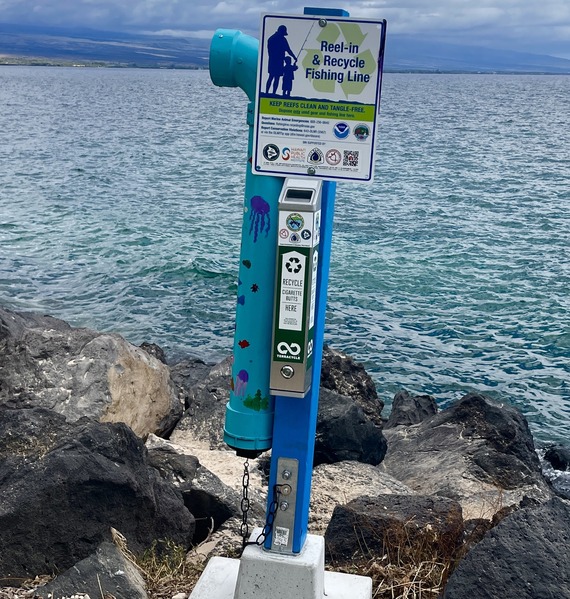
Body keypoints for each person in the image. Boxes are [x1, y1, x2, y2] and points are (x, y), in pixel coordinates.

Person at [265, 25, 297, 95]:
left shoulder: (271, 38)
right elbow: (288, 50)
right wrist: (294, 57)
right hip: (278, 61)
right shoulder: (282, 39)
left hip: (272, 61)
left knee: (272, 76)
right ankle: (272, 93)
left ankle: (268, 92)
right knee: (275, 77)